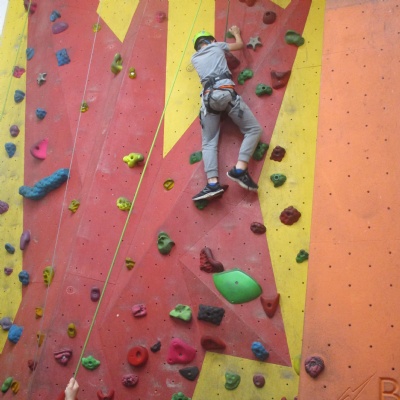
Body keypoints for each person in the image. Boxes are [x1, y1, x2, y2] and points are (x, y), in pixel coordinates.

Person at [191, 25, 262, 201]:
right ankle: (239, 169)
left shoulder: (194, 58)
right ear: (211, 41)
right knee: (253, 130)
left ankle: (212, 184)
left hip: (208, 100)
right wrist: (236, 33)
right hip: (225, 94)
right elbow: (238, 45)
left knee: (209, 143)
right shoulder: (217, 46)